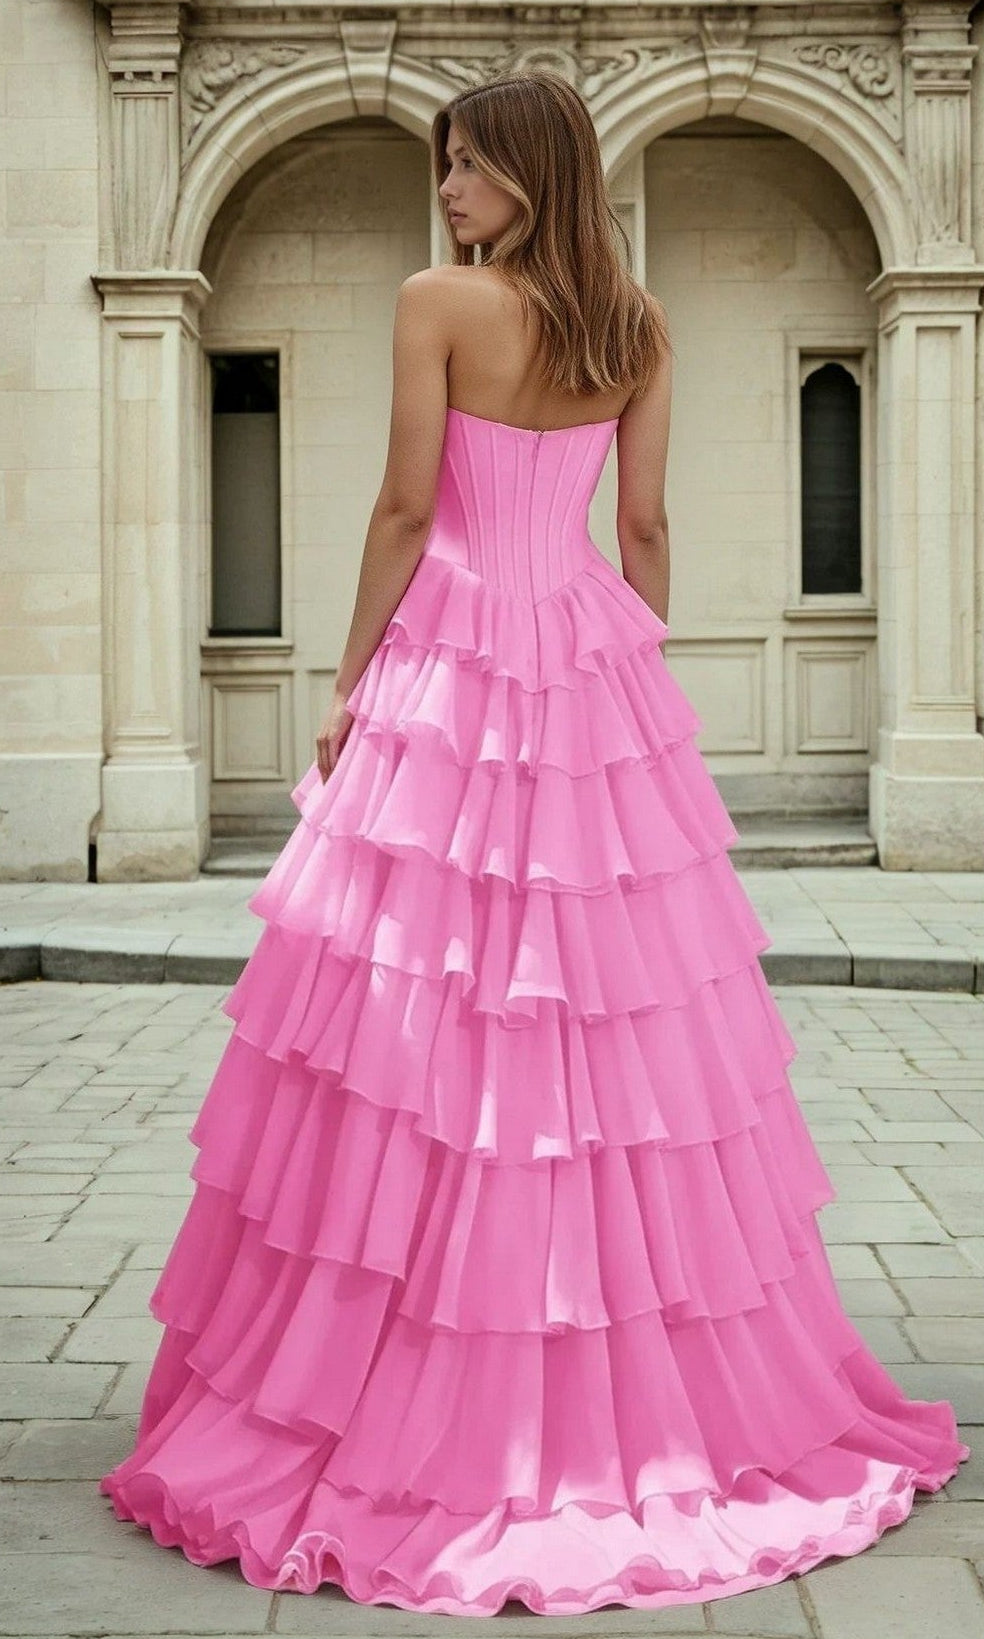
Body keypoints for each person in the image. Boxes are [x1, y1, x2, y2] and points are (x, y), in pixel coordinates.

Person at [99, 69, 969, 1616]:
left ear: (530, 171)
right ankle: (581, 1350)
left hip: (452, 661)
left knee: (419, 992)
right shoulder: (635, 326)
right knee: (589, 1008)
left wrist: (352, 683)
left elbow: (398, 505)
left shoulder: (438, 302)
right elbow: (639, 530)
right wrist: (634, 664)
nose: (447, 190)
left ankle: (429, 1360)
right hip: (583, 654)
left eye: (469, 167)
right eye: (443, 166)